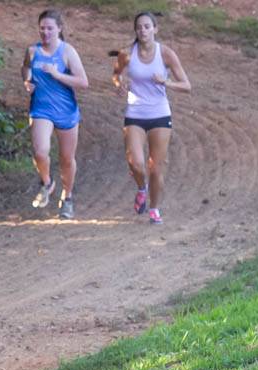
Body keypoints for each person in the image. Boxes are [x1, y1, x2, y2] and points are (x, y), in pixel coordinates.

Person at [112, 11, 191, 225]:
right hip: (135, 113)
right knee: (136, 163)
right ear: (135, 31)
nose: (143, 30)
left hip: (160, 114)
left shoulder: (165, 54)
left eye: (147, 26)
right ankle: (141, 188)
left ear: (155, 29)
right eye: (139, 27)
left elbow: (186, 85)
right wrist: (119, 85)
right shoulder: (127, 53)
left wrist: (166, 83)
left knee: (156, 167)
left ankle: (154, 209)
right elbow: (116, 73)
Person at [21, 9, 89, 220]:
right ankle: (47, 183)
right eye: (42, 28)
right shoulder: (33, 51)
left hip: (66, 111)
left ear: (59, 29)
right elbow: (25, 68)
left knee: (67, 159)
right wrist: (27, 81)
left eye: (50, 28)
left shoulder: (67, 51)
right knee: (40, 151)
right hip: (41, 109)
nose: (46, 32)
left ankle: (67, 198)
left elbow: (83, 82)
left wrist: (57, 74)